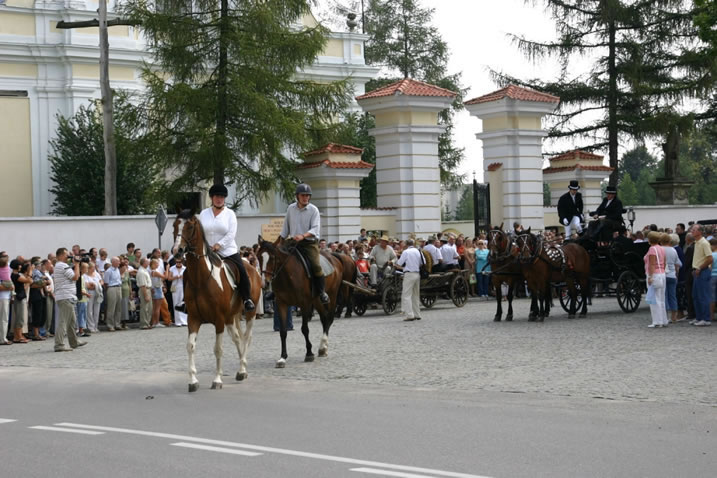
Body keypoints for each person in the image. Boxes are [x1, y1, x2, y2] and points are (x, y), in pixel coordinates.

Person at [199, 183, 255, 311]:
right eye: (217, 196)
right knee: (191, 268)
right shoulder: (203, 213)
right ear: (212, 198)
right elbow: (200, 232)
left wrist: (219, 244)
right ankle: (186, 301)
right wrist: (205, 246)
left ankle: (247, 299)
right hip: (207, 251)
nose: (219, 199)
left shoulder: (230, 214)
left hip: (227, 251)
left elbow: (231, 233)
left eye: (222, 197)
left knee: (241, 270)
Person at [279, 183, 329, 305]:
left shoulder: (314, 210)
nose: (305, 197)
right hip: (293, 242)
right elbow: (285, 228)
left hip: (309, 243)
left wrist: (303, 235)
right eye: (303, 195)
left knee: (316, 265)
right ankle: (276, 290)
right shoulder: (290, 208)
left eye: (307, 195)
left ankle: (321, 292)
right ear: (297, 196)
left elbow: (315, 229)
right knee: (278, 260)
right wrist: (280, 242)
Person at [52, 248, 87, 352]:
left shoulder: (61, 266)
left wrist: (75, 264)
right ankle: (59, 345)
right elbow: (75, 277)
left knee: (71, 321)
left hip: (67, 296)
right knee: (63, 321)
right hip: (65, 297)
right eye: (67, 254)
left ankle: (74, 342)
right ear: (61, 255)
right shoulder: (62, 265)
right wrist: (76, 264)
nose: (68, 256)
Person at [394, 238, 422, 321]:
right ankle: (417, 314)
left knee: (406, 295)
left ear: (406, 244)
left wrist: (397, 265)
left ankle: (410, 315)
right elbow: (421, 263)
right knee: (415, 295)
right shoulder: (417, 251)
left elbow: (399, 263)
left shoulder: (406, 252)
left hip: (409, 274)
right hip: (417, 273)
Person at [690, 224, 713, 326]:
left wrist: (699, 268)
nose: (692, 231)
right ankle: (699, 317)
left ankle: (706, 319)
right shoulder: (696, 242)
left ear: (700, 231)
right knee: (695, 296)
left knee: (703, 296)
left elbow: (710, 259)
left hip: (703, 271)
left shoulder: (704, 243)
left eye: (694, 230)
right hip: (697, 271)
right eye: (692, 230)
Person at [645, 231, 668, 328]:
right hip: (662, 273)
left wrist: (650, 277)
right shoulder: (661, 248)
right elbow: (665, 261)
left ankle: (657, 321)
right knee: (661, 298)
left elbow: (652, 264)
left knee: (654, 299)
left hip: (655, 274)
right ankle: (663, 320)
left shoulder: (652, 249)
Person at [661, 233, 681, 323]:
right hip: (672, 275)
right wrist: (676, 275)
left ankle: (665, 316)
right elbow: (677, 264)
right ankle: (674, 316)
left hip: (663, 274)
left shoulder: (661, 249)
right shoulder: (673, 250)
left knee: (664, 296)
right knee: (672, 296)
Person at [168, 258, 188, 326]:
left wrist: (183, 277)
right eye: (177, 262)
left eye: (179, 262)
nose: (178, 263)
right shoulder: (172, 268)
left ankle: (184, 321)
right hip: (175, 287)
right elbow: (169, 278)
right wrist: (175, 277)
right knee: (176, 303)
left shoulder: (185, 268)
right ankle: (178, 321)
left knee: (183, 303)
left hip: (182, 286)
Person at [149, 258, 167, 328]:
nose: (158, 264)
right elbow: (165, 277)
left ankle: (154, 322)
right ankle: (156, 322)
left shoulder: (152, 271)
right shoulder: (155, 271)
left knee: (155, 307)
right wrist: (167, 269)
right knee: (157, 308)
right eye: (156, 263)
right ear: (153, 264)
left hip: (155, 288)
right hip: (157, 289)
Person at [136, 258, 152, 329]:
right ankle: (144, 323)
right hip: (144, 290)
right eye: (147, 262)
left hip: (148, 289)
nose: (149, 263)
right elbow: (143, 285)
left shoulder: (145, 270)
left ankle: (147, 322)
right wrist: (146, 295)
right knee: (145, 308)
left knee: (149, 308)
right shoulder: (141, 272)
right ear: (144, 263)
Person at [0, 252, 12, 345]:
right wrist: (9, 288)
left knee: (4, 318)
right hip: (2, 297)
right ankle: (3, 339)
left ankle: (3, 337)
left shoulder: (7, 268)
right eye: (4, 256)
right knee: (4, 319)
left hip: (6, 296)